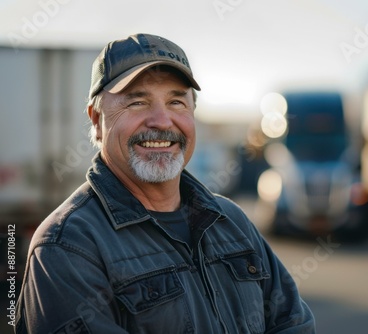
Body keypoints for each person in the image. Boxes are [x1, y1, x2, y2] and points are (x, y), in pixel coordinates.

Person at [15, 33, 316, 333]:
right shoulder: (67, 247)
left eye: (176, 102)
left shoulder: (231, 220)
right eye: (137, 102)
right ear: (96, 119)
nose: (161, 121)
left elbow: (294, 323)